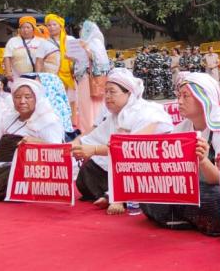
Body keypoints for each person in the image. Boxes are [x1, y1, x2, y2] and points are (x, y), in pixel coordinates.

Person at [141, 73, 220, 234]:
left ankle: (185, 217)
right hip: (196, 188)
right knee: (150, 193)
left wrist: (203, 161)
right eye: (179, 96)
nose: (179, 101)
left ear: (203, 99)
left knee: (213, 198)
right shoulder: (182, 128)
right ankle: (191, 217)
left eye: (186, 96)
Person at [72, 68, 174, 215]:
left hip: (148, 169)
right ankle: (111, 194)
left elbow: (131, 148)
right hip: (123, 168)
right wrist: (66, 149)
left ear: (129, 94)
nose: (107, 96)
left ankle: (119, 196)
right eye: (106, 92)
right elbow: (88, 140)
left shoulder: (148, 112)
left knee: (131, 167)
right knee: (88, 171)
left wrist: (94, 150)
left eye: (112, 92)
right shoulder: (115, 116)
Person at [0, 78, 65, 200]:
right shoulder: (8, 119)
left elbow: (60, 153)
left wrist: (38, 143)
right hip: (3, 167)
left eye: (28, 97)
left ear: (37, 98)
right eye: (17, 97)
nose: (22, 101)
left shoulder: (48, 121)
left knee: (0, 183)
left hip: (32, 171)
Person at [75, 21, 112, 134]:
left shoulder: (94, 42)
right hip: (84, 78)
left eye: (82, 29)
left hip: (90, 79)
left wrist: (86, 48)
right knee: (87, 106)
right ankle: (88, 130)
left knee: (90, 106)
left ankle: (90, 131)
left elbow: (98, 59)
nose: (80, 32)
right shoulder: (85, 42)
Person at [3, 16, 48, 81]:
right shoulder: (12, 41)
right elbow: (7, 57)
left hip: (37, 77)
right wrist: (8, 72)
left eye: (28, 27)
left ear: (33, 29)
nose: (25, 30)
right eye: (23, 27)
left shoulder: (41, 41)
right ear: (19, 29)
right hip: (17, 77)